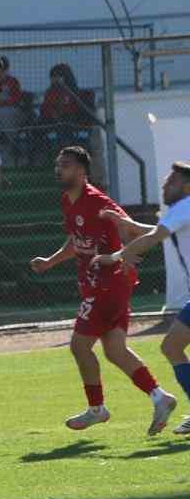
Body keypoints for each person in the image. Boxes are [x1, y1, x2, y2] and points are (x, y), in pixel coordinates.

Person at [30, 146, 176, 434]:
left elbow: (135, 230)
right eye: (58, 164)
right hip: (99, 284)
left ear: (82, 172)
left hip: (109, 284)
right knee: (115, 350)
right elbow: (76, 241)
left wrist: (122, 252)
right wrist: (50, 262)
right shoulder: (68, 201)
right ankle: (160, 398)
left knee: (79, 345)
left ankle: (97, 409)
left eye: (67, 165)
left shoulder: (97, 202)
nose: (60, 169)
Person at [94, 161, 190, 435]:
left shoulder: (184, 207)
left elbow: (151, 240)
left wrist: (113, 257)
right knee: (172, 347)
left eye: (171, 181)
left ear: (186, 186)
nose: (164, 184)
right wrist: (130, 225)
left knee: (172, 347)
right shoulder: (182, 211)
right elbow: (157, 231)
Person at [37, 63, 87, 161]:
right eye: (53, 77)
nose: (54, 79)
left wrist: (61, 113)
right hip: (51, 119)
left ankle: (68, 154)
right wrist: (52, 113)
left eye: (57, 77)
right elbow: (44, 108)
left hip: (69, 119)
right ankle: (40, 155)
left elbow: (76, 108)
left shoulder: (72, 90)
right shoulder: (50, 91)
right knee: (37, 126)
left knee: (65, 126)